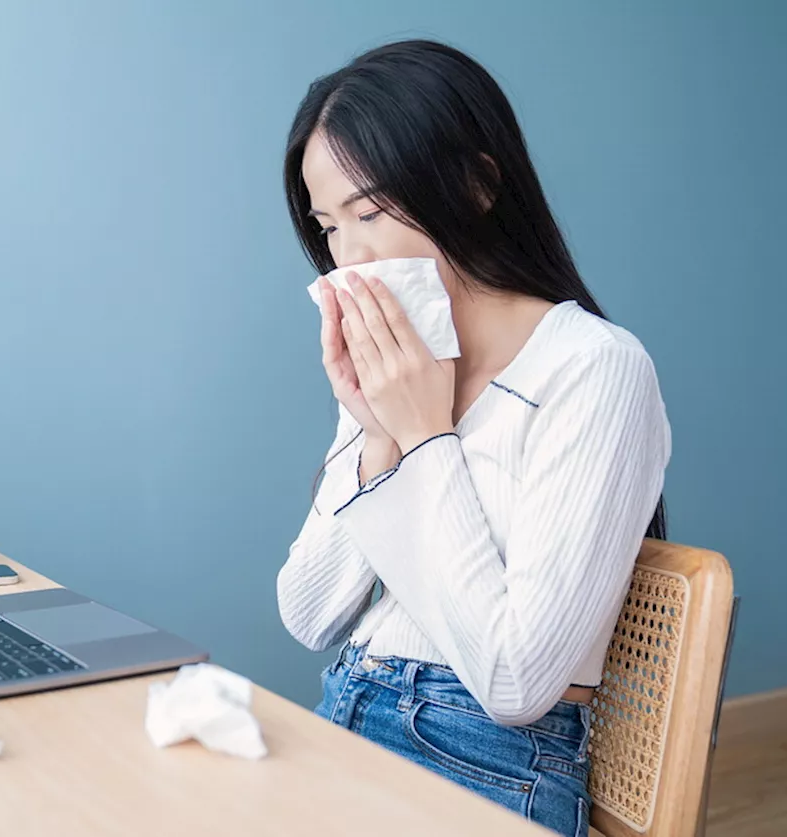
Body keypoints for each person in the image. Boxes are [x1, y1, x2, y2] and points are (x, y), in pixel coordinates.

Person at [276, 39, 670, 836]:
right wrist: (378, 435)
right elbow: (308, 613)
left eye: (370, 213)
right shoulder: (395, 372)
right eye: (328, 229)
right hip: (343, 711)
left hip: (483, 763)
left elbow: (515, 680)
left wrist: (426, 437)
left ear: (477, 184)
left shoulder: (594, 368)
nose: (348, 259)